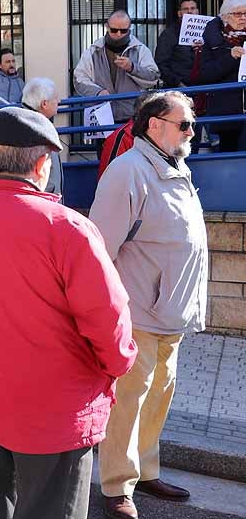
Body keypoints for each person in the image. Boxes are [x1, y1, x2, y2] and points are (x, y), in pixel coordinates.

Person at [0, 106, 138, 519]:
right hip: (59, 410)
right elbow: (109, 322)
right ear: (43, 163)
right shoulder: (68, 229)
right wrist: (116, 366)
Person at [90, 91, 208, 519]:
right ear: (154, 124)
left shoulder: (174, 165)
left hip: (171, 313)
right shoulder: (127, 172)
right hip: (138, 311)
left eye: (192, 123)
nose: (192, 130)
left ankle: (143, 471)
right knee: (129, 399)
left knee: (158, 395)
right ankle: (117, 486)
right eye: (185, 124)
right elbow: (100, 248)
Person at [73, 9, 160, 124]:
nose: (118, 34)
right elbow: (79, 79)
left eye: (123, 31)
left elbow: (153, 78)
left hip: (132, 116)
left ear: (129, 28)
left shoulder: (140, 50)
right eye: (114, 30)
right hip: (102, 116)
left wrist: (132, 68)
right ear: (107, 27)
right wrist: (98, 92)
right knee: (103, 143)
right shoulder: (94, 51)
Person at [199, 0, 246, 152]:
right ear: (225, 17)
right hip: (227, 113)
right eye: (238, 13)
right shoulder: (213, 41)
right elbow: (205, 75)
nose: (243, 18)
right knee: (231, 159)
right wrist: (230, 57)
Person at [21, 77, 63, 195]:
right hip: (42, 204)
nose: (59, 101)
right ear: (44, 103)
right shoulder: (37, 131)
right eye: (55, 98)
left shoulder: (26, 125)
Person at [155, 0, 204, 88]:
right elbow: (161, 63)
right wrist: (178, 83)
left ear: (197, 11)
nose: (189, 11)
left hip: (204, 87)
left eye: (193, 8)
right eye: (185, 9)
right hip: (178, 88)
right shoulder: (169, 34)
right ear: (179, 13)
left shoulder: (208, 32)